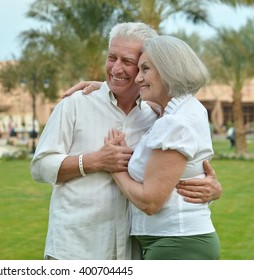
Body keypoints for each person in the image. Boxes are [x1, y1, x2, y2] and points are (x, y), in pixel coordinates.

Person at [30, 22, 222, 260]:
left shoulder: (156, 117)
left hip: (130, 252)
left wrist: (211, 187)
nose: (116, 68)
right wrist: (95, 161)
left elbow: (178, 162)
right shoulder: (76, 104)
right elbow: (40, 167)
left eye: (129, 62)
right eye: (112, 57)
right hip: (76, 249)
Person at [104, 35, 220, 259]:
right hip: (173, 242)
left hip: (177, 244)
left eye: (145, 69)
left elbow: (150, 201)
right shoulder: (182, 109)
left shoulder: (176, 122)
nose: (138, 78)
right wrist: (102, 88)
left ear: (169, 70)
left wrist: (114, 166)